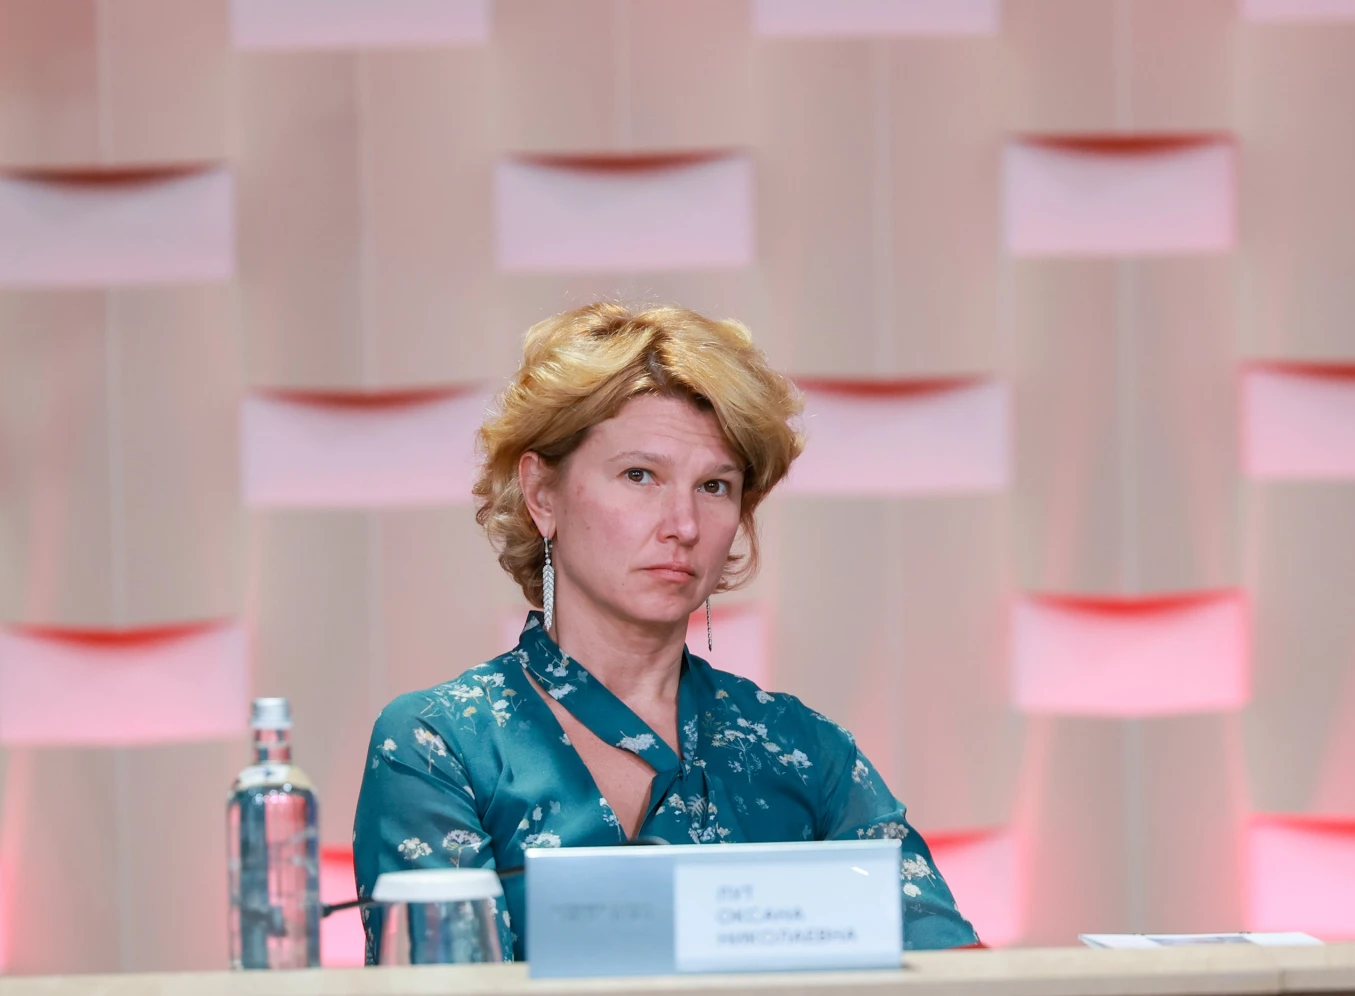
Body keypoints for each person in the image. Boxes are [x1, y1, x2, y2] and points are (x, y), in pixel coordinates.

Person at [352, 304, 978, 962]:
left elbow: (952, 982)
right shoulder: (440, 743)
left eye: (714, 485)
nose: (682, 523)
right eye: (640, 475)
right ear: (541, 493)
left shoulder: (803, 750)